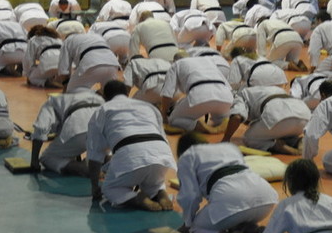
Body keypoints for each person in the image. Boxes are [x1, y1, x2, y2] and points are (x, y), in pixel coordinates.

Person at [175, 132, 279, 233]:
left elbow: (190, 196)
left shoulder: (187, 157)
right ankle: (255, 231)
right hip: (266, 198)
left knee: (197, 228)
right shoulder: (228, 147)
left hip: (232, 198)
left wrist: (188, 223)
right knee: (234, 217)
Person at [87, 80, 176, 211]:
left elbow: (95, 155)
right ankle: (159, 192)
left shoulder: (102, 110)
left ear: (105, 97)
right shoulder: (148, 107)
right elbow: (163, 137)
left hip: (130, 153)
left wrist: (95, 187)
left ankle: (137, 199)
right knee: (154, 182)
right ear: (127, 93)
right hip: (161, 154)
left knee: (110, 188)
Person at [30, 88, 105, 175]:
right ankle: (107, 160)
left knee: (47, 158)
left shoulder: (51, 102)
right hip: (107, 129)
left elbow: (40, 128)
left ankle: (85, 169)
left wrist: (34, 161)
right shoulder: (91, 94)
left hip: (79, 128)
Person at [222, 84, 311, 154]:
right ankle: (297, 141)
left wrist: (225, 139)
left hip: (279, 116)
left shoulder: (239, 96)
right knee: (281, 132)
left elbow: (237, 117)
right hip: (304, 116)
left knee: (248, 137)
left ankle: (276, 146)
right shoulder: (263, 90)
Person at [159, 52, 233, 132]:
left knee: (174, 120)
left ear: (174, 61)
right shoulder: (206, 61)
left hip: (200, 95)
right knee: (220, 118)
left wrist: (164, 115)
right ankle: (222, 120)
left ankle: (197, 126)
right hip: (225, 96)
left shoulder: (176, 65)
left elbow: (167, 94)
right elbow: (229, 87)